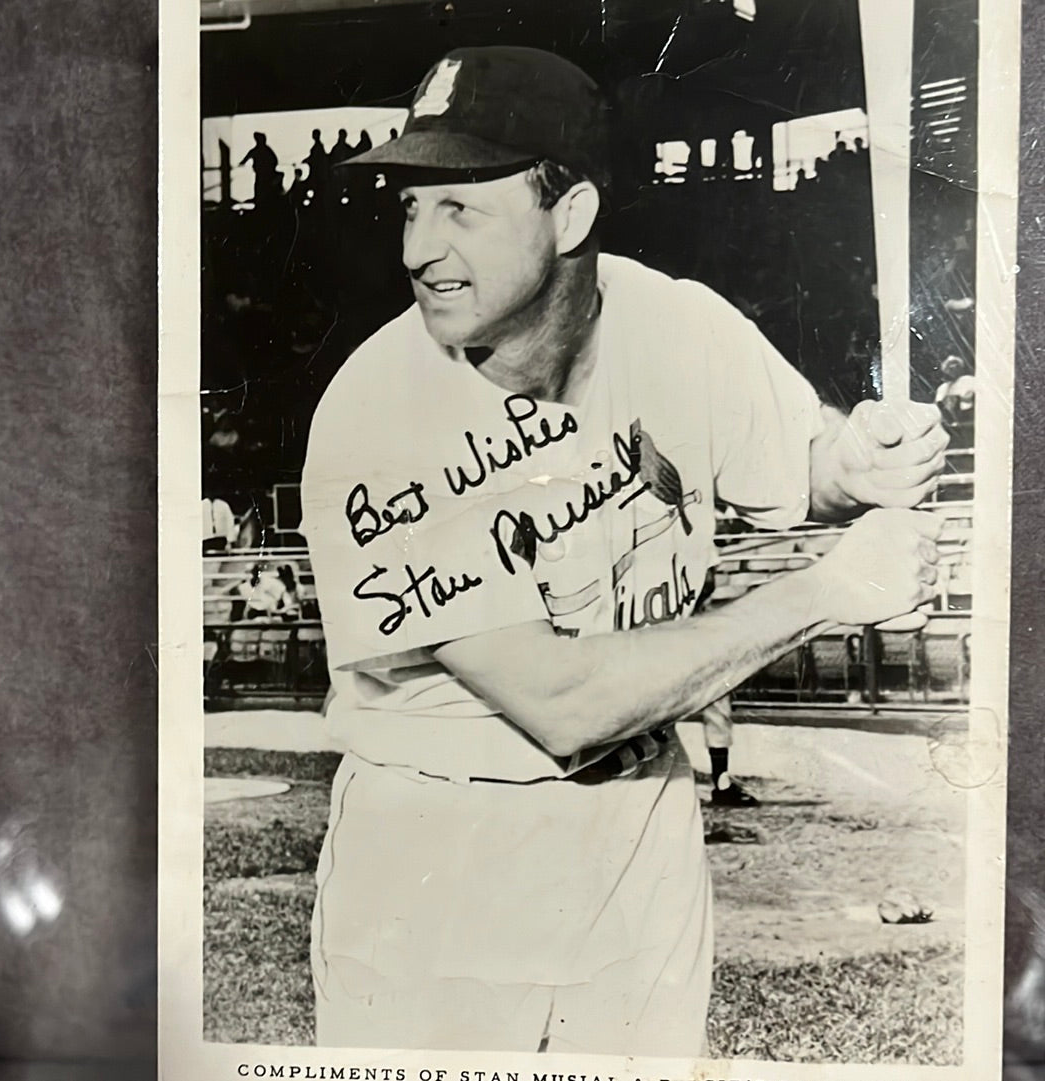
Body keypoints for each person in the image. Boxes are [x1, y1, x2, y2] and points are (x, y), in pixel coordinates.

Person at [299, 46, 947, 1056]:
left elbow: (804, 465)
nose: (418, 248)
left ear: (572, 214)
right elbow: (565, 706)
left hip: (639, 833)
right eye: (409, 206)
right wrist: (828, 591)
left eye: (459, 207)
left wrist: (857, 462)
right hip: (438, 852)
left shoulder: (677, 326)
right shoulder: (381, 413)